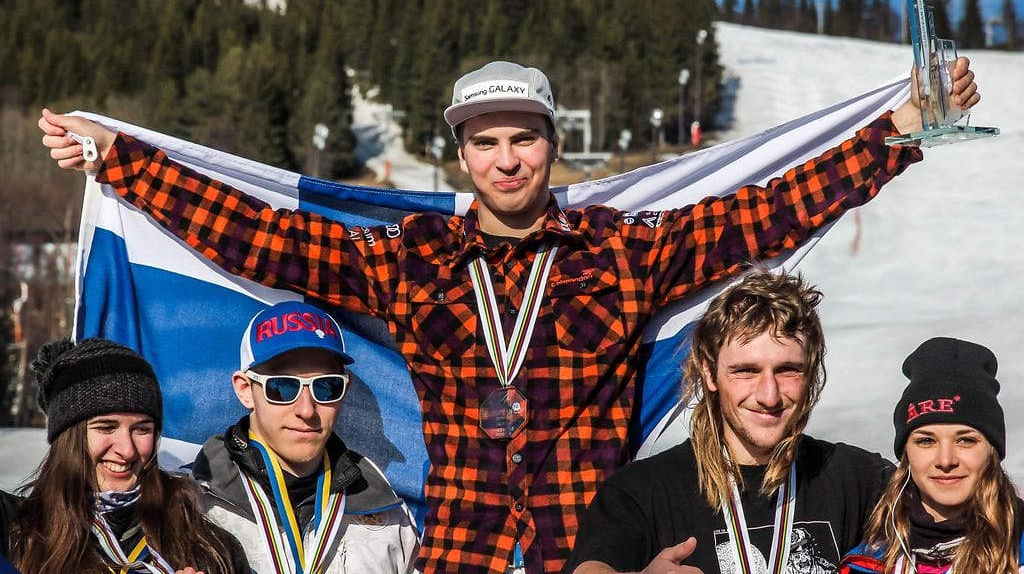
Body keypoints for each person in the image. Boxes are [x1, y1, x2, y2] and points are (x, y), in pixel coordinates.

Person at [39, 57, 980, 574]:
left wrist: (890, 140)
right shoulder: (414, 262)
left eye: (522, 139)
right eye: (485, 143)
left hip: (594, 552)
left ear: (549, 146)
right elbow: (265, 241)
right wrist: (126, 165)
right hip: (460, 550)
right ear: (461, 157)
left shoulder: (622, 253)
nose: (505, 160)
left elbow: (762, 214)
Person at [567, 270, 892, 574]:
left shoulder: (861, 479)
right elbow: (592, 567)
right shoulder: (640, 491)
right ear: (709, 372)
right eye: (746, 371)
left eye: (788, 370)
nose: (769, 395)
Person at [189, 300, 419, 573]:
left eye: (327, 387)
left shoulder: (390, 516)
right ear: (245, 390)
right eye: (283, 387)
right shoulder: (188, 507)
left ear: (345, 390)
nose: (307, 410)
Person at [7, 337, 249, 574]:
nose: (127, 450)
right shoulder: (16, 533)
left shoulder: (208, 546)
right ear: (68, 437)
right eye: (106, 427)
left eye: (142, 429)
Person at [839, 337, 1024, 574]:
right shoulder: (866, 563)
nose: (945, 460)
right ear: (906, 453)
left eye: (965, 440)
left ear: (992, 450)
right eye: (926, 441)